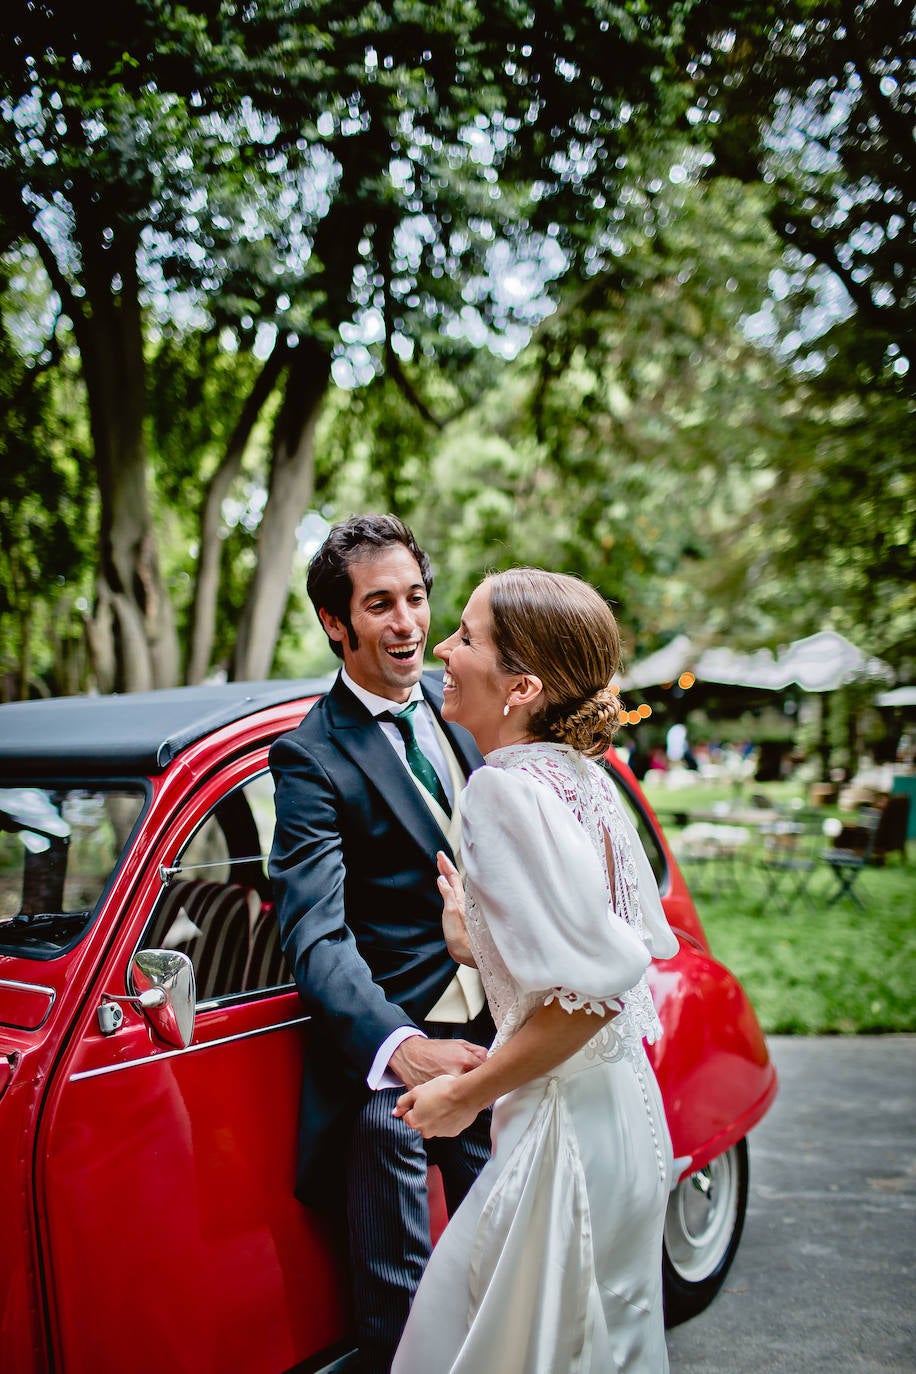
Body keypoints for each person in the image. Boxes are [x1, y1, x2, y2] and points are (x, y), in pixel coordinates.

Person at [391, 568, 679, 1374]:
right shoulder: (584, 780)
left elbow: (588, 998)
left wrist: (461, 1095)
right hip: (624, 1118)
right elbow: (587, 955)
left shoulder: (501, 790)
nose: (443, 648)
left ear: (521, 686)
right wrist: (473, 939)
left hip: (562, 1139)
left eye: (468, 637)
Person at [269, 515, 494, 1374]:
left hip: (504, 1023)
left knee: (509, 1252)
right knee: (403, 1298)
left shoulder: (460, 708)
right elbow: (316, 936)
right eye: (379, 605)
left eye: (415, 598)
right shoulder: (311, 757)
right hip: (406, 1034)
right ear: (337, 623)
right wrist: (401, 1048)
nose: (407, 622)